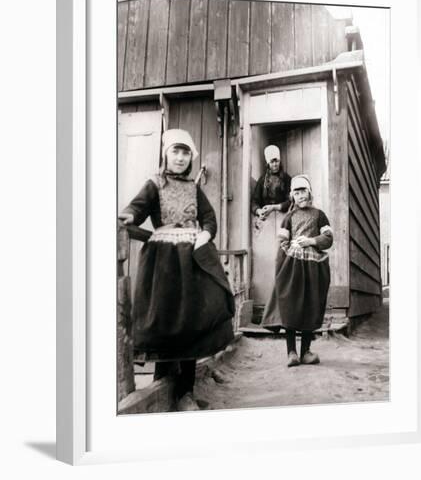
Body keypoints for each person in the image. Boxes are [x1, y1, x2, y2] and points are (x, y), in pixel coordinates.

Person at [118, 129, 235, 411]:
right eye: (175, 151)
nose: (180, 158)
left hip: (192, 261)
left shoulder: (195, 189)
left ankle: (186, 393)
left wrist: (206, 234)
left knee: (192, 320)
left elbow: (209, 218)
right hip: (165, 265)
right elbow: (136, 208)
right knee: (168, 320)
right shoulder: (155, 184)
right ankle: (163, 389)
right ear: (165, 154)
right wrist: (131, 216)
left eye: (185, 153)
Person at [261, 175, 333, 366]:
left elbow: (328, 238)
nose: (301, 196)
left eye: (304, 191)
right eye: (297, 192)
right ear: (292, 196)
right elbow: (282, 241)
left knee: (310, 305)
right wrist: (288, 255)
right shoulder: (289, 217)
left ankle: (306, 351)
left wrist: (311, 241)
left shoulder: (319, 215)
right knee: (290, 305)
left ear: (310, 193)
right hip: (292, 266)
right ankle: (291, 352)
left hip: (313, 267)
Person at [251, 145, 291, 220]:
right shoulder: (262, 179)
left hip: (283, 218)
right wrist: (258, 211)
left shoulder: (286, 178)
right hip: (267, 221)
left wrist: (274, 207)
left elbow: (291, 201)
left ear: (280, 161)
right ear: (268, 163)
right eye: (272, 162)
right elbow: (254, 201)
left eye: (277, 161)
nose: (275, 164)